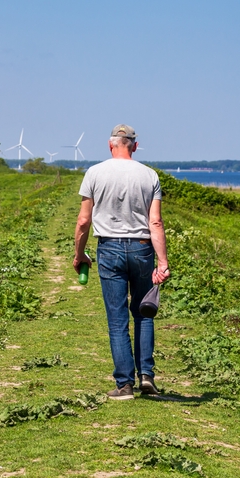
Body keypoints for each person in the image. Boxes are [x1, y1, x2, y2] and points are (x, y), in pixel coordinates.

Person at [73, 124, 170, 400]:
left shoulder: (94, 173)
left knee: (117, 320)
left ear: (110, 144)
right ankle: (147, 377)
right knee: (143, 313)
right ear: (135, 146)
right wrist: (162, 262)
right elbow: (156, 221)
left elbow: (83, 221)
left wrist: (79, 254)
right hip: (142, 248)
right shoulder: (149, 175)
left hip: (109, 247)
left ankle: (124, 384)